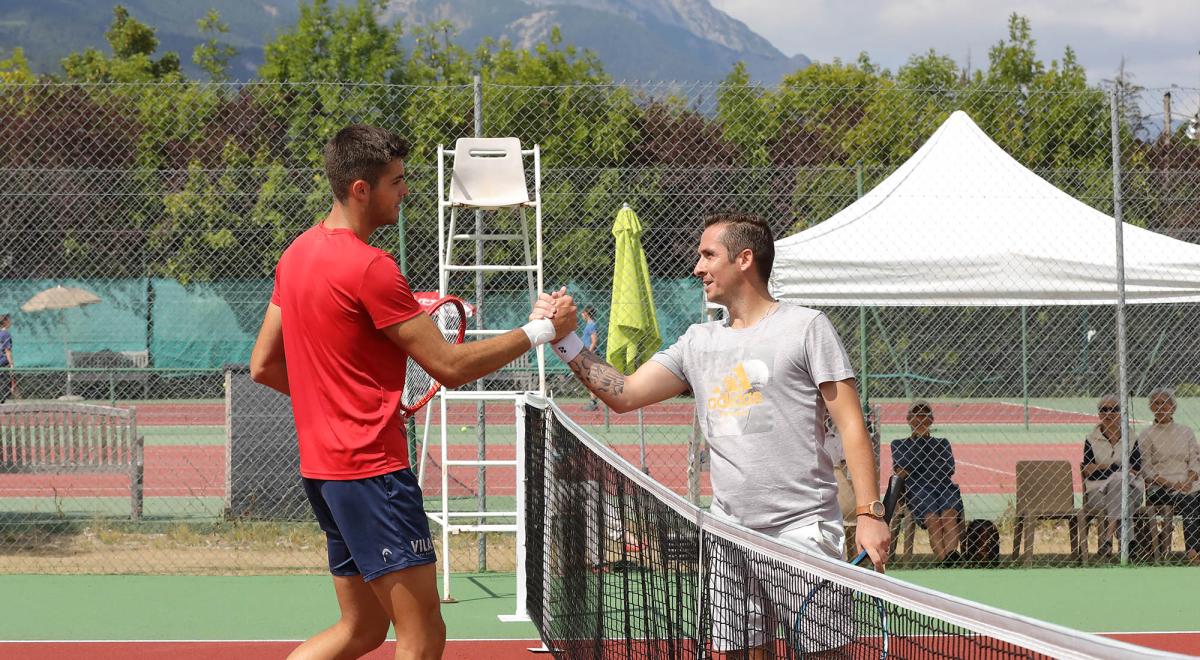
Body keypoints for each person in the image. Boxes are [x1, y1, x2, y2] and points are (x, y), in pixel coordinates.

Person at [250, 124, 576, 660]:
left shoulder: (296, 255)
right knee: (422, 636)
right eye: (396, 181)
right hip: (373, 473)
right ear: (361, 189)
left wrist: (336, 402)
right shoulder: (371, 268)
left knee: (361, 630)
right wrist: (541, 330)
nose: (405, 191)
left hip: (324, 474)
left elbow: (263, 365)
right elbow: (449, 366)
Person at [538, 212, 889, 657]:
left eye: (708, 255)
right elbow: (624, 393)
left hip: (803, 529)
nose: (697, 267)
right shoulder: (696, 341)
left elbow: (851, 424)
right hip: (729, 533)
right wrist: (565, 340)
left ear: (744, 259)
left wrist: (870, 512)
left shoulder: (806, 327)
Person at [889, 401, 964, 564]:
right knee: (932, 519)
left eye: (924, 415)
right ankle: (946, 561)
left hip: (944, 487)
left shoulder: (942, 443)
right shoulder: (899, 444)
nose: (921, 419)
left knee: (949, 515)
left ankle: (949, 558)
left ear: (931, 420)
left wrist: (915, 465)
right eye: (917, 415)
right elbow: (901, 472)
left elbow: (948, 468)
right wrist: (919, 442)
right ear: (909, 419)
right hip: (918, 489)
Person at [1138, 389, 1200, 564]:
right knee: (1188, 500)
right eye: (1156, 403)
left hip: (1189, 483)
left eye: (1164, 403)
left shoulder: (1186, 432)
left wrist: (1188, 480)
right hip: (1160, 488)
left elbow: (1195, 462)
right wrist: (1172, 485)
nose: (1160, 407)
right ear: (1151, 407)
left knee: (1192, 497)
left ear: (1173, 407)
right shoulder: (1146, 435)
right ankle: (1193, 551)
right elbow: (1146, 469)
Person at [1081, 394, 1145, 559]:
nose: (1108, 413)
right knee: (1120, 488)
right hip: (1098, 492)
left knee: (1119, 485)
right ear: (1099, 414)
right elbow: (1088, 471)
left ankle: (1108, 537)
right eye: (1104, 409)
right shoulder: (1091, 439)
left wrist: (1103, 468)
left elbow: (1136, 469)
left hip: (1131, 489)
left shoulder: (1132, 438)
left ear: (1121, 413)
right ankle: (1128, 543)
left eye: (1114, 409)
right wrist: (1116, 468)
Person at [580, 306, 601, 411]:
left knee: (590, 379)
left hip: (589, 355)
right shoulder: (588, 325)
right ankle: (593, 401)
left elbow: (594, 341)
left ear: (586, 313)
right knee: (587, 379)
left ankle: (593, 402)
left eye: (583, 313)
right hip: (585, 354)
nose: (581, 315)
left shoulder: (592, 325)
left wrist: (589, 353)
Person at [0, 314, 12, 403]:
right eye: (8, 320)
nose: (10, 322)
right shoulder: (6, 334)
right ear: (5, 322)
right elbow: (7, 350)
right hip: (3, 361)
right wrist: (11, 363)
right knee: (4, 381)